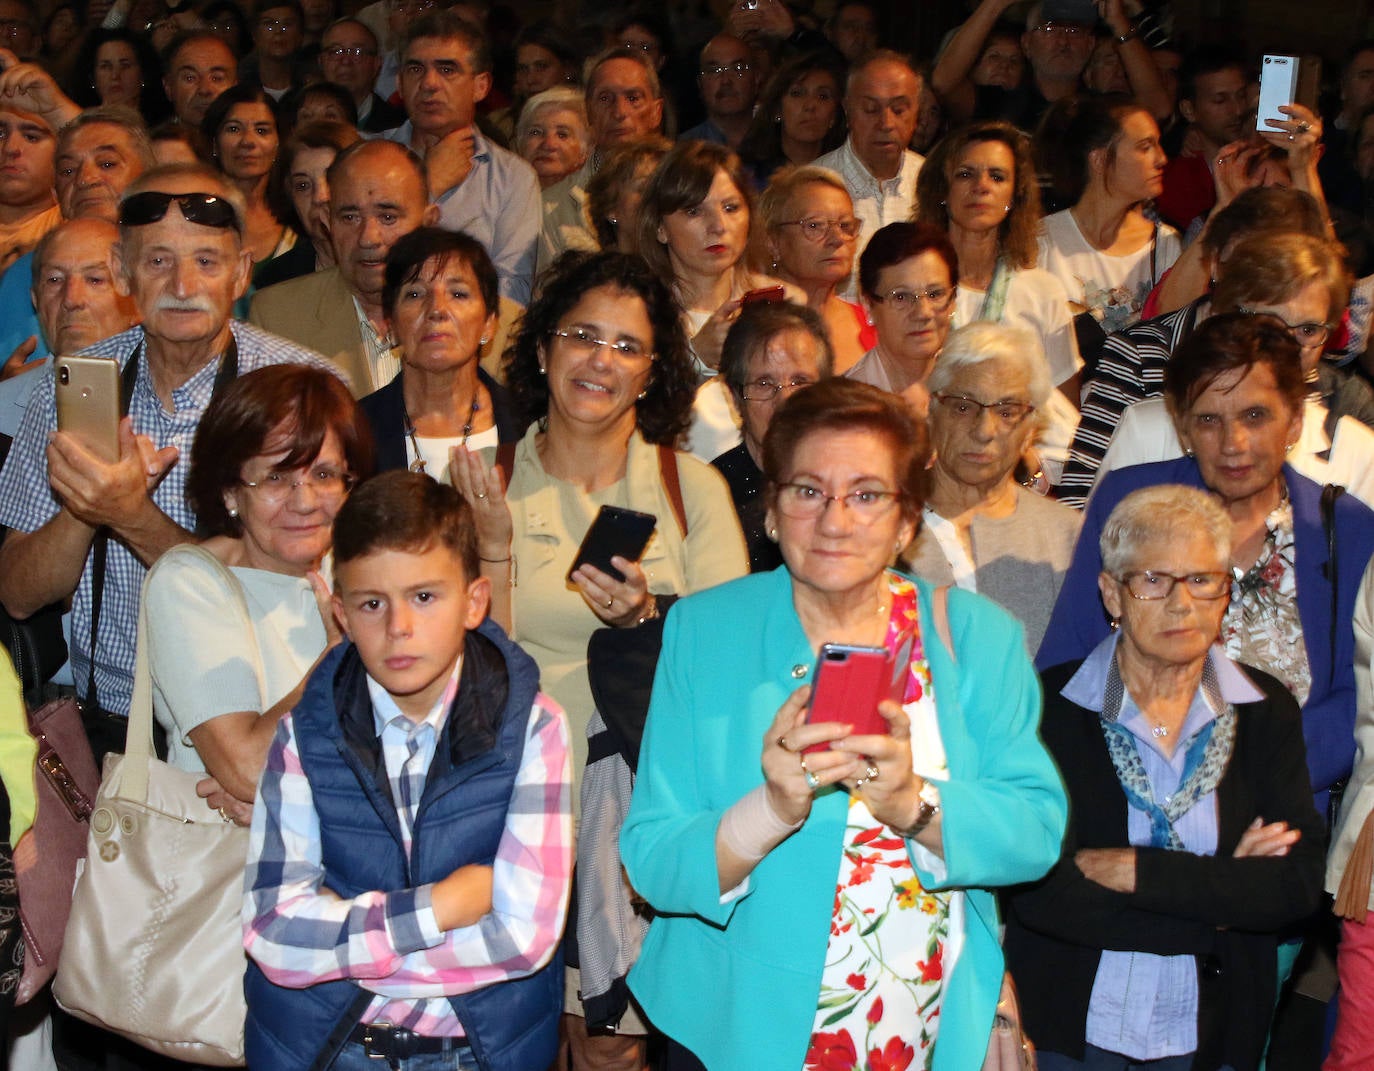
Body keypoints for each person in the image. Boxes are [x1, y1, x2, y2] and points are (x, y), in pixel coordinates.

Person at [620, 376, 1067, 1071]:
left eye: (866, 494)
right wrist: (769, 809)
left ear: (907, 520)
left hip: (924, 1025)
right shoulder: (706, 630)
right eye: (807, 490)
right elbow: (652, 861)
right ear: (770, 510)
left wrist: (913, 805)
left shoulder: (976, 637)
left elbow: (1033, 834)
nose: (834, 519)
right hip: (741, 1027)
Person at [449, 250, 748, 1070]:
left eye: (627, 346)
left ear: (652, 373)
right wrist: (495, 551)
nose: (601, 361)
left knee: (612, 1044)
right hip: (515, 812)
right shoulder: (484, 482)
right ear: (541, 348)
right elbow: (456, 667)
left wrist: (651, 614)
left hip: (638, 812)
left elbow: (732, 662)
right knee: (508, 1038)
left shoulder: (691, 486)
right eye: (583, 335)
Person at [0, 163, 342, 754]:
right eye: (157, 260)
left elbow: (291, 586)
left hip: (259, 718)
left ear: (240, 274)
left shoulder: (301, 394)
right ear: (122, 272)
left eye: (207, 261)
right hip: (104, 722)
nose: (182, 283)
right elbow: (18, 593)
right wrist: (86, 506)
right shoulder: (72, 394)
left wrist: (128, 513)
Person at [242, 470, 573, 1071]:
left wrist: (346, 944)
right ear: (341, 613)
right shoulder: (304, 733)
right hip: (328, 1049)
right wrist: (440, 908)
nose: (399, 627)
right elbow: (272, 932)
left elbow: (524, 938)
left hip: (475, 1053)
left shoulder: (533, 727)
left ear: (474, 602)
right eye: (373, 603)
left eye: (424, 596)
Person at [1006, 484, 1324, 1071]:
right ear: (1112, 594)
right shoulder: (1049, 705)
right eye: (1154, 580)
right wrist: (1221, 905)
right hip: (1069, 1026)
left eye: (1203, 580)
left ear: (1225, 591)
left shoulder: (1264, 709)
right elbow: (1042, 893)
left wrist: (1137, 870)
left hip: (1216, 1024)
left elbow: (1295, 887)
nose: (1182, 604)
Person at [1039, 313, 1374, 823]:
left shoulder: (1349, 530)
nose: (1233, 442)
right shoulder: (1130, 500)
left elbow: (1356, 704)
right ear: (1182, 424)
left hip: (1282, 824)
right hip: (1128, 806)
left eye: (1255, 416)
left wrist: (1243, 790)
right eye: (1209, 419)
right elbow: (1069, 661)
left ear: (1295, 422)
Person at [142, 364, 372, 815]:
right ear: (230, 492)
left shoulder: (372, 576)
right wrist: (339, 655)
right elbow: (247, 768)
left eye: (324, 475)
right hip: (231, 877)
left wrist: (289, 803)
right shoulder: (190, 584)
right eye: (275, 477)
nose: (304, 501)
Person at [1061, 219, 1367, 508]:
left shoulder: (1353, 451)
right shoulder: (1148, 430)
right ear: (1228, 315)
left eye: (1308, 330)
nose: (1287, 344)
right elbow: (1097, 549)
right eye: (1270, 322)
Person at [916, 119, 1082, 483]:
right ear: (942, 189)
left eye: (997, 177)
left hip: (1021, 473)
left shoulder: (1042, 290)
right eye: (965, 174)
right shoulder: (912, 287)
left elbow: (1063, 404)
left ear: (1014, 196)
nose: (981, 187)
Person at [904, 322, 1080, 654]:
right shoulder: (880, 523)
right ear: (931, 411)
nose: (984, 430)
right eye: (963, 406)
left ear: (1031, 429)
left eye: (1007, 411)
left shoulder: (1068, 536)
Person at [636, 140, 795, 460]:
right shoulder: (639, 314)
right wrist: (695, 359)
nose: (718, 226)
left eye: (731, 208)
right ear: (660, 228)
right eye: (694, 211)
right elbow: (629, 417)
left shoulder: (785, 303)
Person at [250, 139, 440, 395]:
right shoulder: (276, 322)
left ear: (428, 222)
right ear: (328, 223)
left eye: (387, 217)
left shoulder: (486, 319)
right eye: (349, 217)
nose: (368, 237)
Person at [384, 10, 540, 308]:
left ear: (481, 86)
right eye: (416, 69)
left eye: (447, 70)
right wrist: (428, 185)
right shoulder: (365, 158)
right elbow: (359, 262)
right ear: (400, 84)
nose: (429, 83)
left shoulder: (513, 177)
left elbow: (511, 298)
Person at [1037, 93, 1181, 376]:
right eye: (1144, 147)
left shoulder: (1165, 244)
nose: (1162, 159)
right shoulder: (1041, 242)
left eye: (1159, 145)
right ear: (1100, 159)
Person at [0, 104, 153, 368]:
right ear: (56, 193)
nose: (85, 179)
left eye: (106, 164)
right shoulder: (22, 276)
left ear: (148, 180)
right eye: (68, 170)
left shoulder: (177, 268)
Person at [358, 227, 518, 474]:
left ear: (489, 323)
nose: (437, 309)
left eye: (458, 293)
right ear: (391, 324)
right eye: (415, 294)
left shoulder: (530, 426)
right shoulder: (355, 429)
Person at [714, 299, 833, 573]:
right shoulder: (711, 494)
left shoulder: (850, 483)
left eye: (800, 381)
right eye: (764, 384)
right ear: (735, 399)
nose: (785, 401)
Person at [0, 218, 140, 440]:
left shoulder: (179, 406)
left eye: (95, 279)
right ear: (35, 300)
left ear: (137, 302)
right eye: (54, 280)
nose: (72, 299)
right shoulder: (4, 412)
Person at [538, 47, 666, 266]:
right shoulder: (551, 209)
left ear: (656, 112)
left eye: (633, 98)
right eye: (605, 98)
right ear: (587, 113)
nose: (619, 112)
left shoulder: (690, 187)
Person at [813, 50, 925, 300]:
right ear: (848, 111)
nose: (886, 123)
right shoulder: (812, 186)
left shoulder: (932, 181)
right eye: (871, 109)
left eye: (898, 109)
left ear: (916, 113)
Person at [756, 164, 868, 373]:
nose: (836, 240)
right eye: (815, 225)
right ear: (773, 242)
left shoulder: (871, 322)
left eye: (845, 226)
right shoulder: (750, 323)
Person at [845, 221, 957, 411]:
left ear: (953, 301)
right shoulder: (846, 406)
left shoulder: (969, 392)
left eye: (935, 294)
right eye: (901, 297)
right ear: (867, 306)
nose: (923, 313)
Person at [253, 119, 361, 289]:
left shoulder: (399, 271)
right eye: (302, 186)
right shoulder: (275, 283)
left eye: (331, 178)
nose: (320, 197)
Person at [202, 84, 296, 278]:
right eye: (234, 129)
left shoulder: (297, 219)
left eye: (262, 131)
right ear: (214, 143)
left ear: (278, 144)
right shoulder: (195, 214)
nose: (248, 141)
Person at [736, 50, 845, 188]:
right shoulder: (748, 176)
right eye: (797, 94)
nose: (810, 105)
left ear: (834, 115)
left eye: (823, 96)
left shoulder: (845, 176)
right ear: (777, 109)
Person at [584, 137, 670, 254]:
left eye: (667, 189)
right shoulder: (596, 271)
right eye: (644, 189)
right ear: (611, 209)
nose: (659, 197)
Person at [318, 17, 405, 133]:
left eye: (357, 52)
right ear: (320, 61)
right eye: (336, 51)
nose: (345, 61)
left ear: (376, 64)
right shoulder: (301, 120)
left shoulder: (398, 127)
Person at [680, 34, 760, 151]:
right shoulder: (683, 152)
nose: (725, 81)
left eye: (738, 68)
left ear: (756, 78)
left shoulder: (781, 143)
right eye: (714, 70)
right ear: (700, 84)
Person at [70, 28, 170, 121]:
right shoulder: (79, 126)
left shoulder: (164, 131)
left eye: (125, 66)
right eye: (106, 66)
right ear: (92, 78)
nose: (115, 76)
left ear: (143, 74)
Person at [515, 86, 589, 191]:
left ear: (585, 152)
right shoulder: (499, 197)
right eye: (536, 132)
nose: (548, 144)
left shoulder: (593, 204)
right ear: (520, 143)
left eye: (562, 135)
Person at [161, 30, 238, 128]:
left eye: (217, 78)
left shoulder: (254, 142)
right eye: (190, 78)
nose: (205, 89)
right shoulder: (148, 143)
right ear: (168, 87)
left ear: (235, 86)